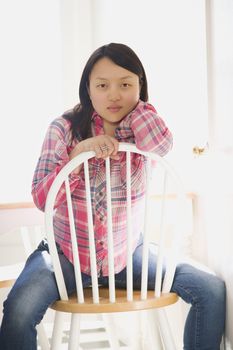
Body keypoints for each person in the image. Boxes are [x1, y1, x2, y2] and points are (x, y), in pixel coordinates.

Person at [0, 43, 225, 350]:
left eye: (125, 84)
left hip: (127, 253)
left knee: (210, 288)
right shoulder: (63, 128)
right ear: (88, 89)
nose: (114, 95)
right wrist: (77, 157)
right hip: (66, 254)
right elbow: (42, 197)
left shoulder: (142, 127)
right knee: (19, 308)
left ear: (140, 85)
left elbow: (160, 148)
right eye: (102, 85)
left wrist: (139, 110)